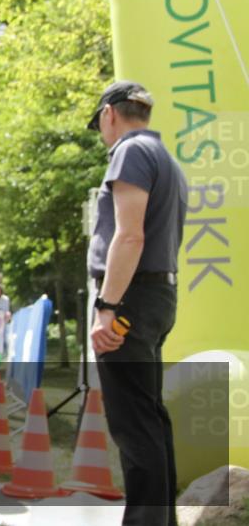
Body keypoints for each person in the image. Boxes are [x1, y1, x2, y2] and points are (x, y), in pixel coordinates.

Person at [87, 81, 187, 526]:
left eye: (100, 125)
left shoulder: (130, 152)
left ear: (110, 113)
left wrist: (107, 305)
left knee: (133, 422)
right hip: (156, 294)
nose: (102, 134)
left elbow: (129, 235)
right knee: (149, 415)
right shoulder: (165, 158)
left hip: (129, 298)